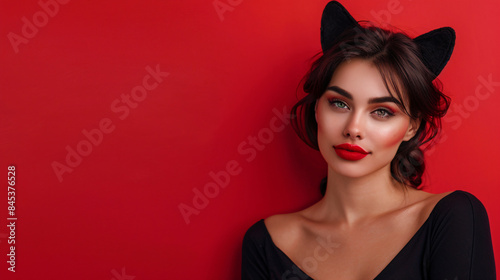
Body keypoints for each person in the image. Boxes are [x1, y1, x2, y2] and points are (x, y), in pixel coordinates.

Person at [241, 1, 496, 279]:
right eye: (339, 104)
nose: (354, 128)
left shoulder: (452, 219)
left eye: (382, 112)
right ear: (317, 109)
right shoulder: (267, 242)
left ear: (412, 126)